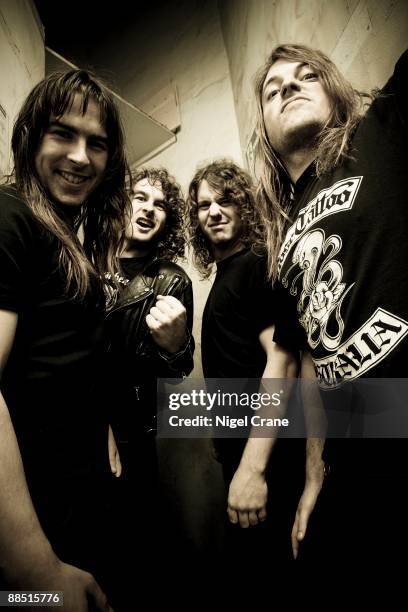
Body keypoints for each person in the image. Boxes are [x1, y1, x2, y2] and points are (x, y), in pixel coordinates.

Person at [251, 43, 408, 564]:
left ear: (334, 90)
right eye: (272, 90)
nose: (287, 87)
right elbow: (312, 363)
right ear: (266, 132)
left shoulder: (381, 130)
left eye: (305, 76)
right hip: (359, 445)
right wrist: (314, 476)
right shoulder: (279, 241)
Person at [0, 69, 129, 610]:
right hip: (34, 538)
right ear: (31, 135)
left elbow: (57, 359)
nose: (80, 157)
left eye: (96, 144)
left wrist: (99, 426)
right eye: (63, 134)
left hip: (76, 508)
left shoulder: (62, 236)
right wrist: (37, 569)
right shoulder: (11, 218)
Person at [187, 159, 303, 563]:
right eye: (203, 205)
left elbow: (283, 361)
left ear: (244, 206)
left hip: (270, 458)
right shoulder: (228, 273)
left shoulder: (254, 264)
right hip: (246, 452)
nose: (214, 211)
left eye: (225, 200)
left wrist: (252, 467)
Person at [104, 167, 194, 562]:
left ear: (166, 222)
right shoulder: (84, 260)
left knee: (135, 543)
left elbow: (173, 376)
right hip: (72, 419)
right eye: (140, 197)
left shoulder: (171, 281)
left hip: (131, 434)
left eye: (160, 206)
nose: (148, 209)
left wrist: (176, 347)